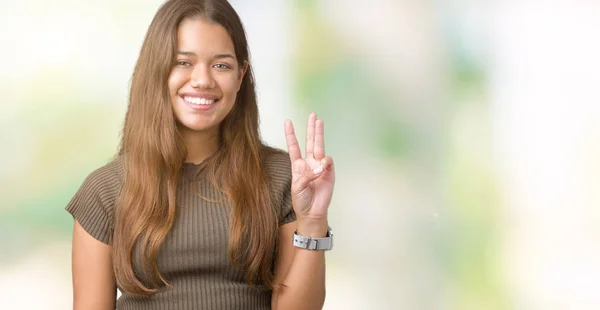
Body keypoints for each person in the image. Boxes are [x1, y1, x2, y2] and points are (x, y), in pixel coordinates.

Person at [65, 0, 335, 309]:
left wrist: (313, 222)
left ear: (241, 74)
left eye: (221, 65)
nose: (203, 80)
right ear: (157, 68)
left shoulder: (282, 178)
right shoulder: (103, 191)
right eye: (183, 62)